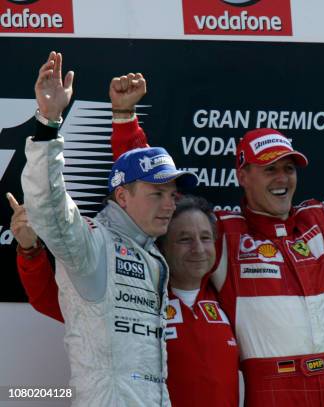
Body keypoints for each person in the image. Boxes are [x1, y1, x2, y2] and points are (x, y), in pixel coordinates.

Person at [109, 61, 324, 406]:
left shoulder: (321, 220)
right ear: (243, 176)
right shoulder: (224, 232)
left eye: (288, 168)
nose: (282, 178)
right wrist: (126, 119)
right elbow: (150, 193)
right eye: (269, 170)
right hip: (273, 387)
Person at [21, 51, 198, 406]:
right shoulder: (93, 243)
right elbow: (48, 205)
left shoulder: (149, 253)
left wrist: (126, 116)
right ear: (122, 195)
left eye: (173, 194)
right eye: (158, 194)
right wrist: (49, 121)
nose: (170, 204)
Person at [9, 192, 240, 407]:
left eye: (206, 237)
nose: (198, 249)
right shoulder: (132, 299)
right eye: (184, 239)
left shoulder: (229, 298)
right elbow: (47, 299)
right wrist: (30, 249)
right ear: (161, 247)